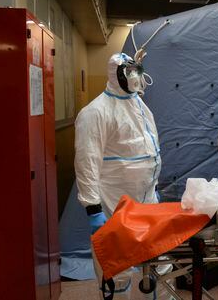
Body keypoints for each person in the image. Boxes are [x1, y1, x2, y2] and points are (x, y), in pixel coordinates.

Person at [75, 52, 170, 300]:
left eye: (137, 71)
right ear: (117, 75)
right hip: (113, 203)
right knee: (117, 270)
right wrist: (93, 209)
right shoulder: (95, 112)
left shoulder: (140, 106)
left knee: (158, 262)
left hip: (147, 200)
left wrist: (153, 186)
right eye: (129, 72)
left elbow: (150, 150)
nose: (136, 78)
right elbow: (87, 162)